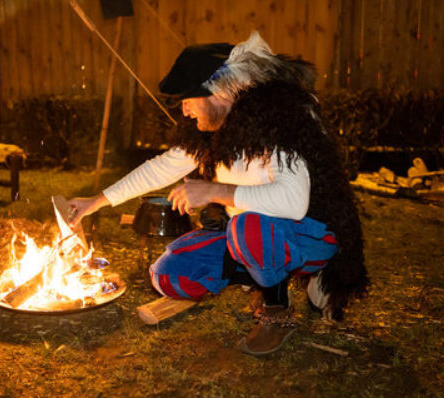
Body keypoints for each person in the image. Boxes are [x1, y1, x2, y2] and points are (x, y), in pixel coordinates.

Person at [69, 32, 368, 356]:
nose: (184, 112)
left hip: (312, 234)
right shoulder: (217, 126)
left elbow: (294, 203)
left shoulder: (281, 120)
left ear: (218, 92)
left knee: (247, 226)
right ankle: (266, 277)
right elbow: (162, 168)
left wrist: (215, 190)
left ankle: (278, 307)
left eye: (188, 100)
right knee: (168, 273)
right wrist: (96, 201)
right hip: (255, 237)